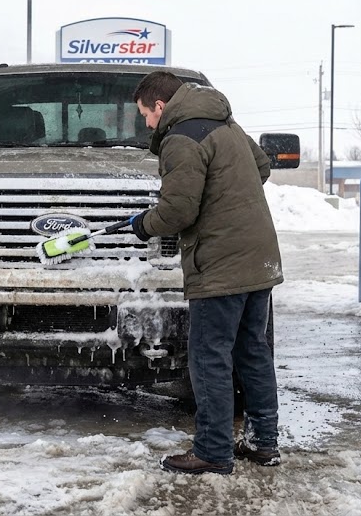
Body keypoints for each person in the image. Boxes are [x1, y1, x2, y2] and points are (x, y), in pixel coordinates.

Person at [130, 71, 282, 475]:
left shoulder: (181, 138)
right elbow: (261, 166)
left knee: (208, 356)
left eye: (145, 114)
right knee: (251, 351)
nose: (146, 124)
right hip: (259, 255)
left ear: (160, 107)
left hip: (220, 263)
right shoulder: (225, 124)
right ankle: (263, 442)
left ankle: (213, 451)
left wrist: (143, 224)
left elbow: (179, 211)